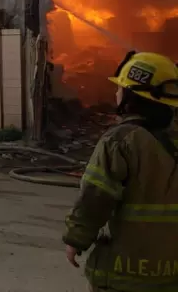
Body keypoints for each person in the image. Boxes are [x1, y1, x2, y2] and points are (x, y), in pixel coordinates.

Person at [63, 51, 178, 292]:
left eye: (121, 88)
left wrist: (77, 238)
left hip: (124, 271)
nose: (115, 92)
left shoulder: (120, 140)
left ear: (131, 96)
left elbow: (96, 197)